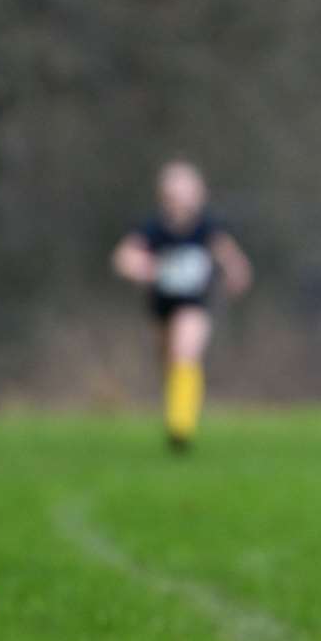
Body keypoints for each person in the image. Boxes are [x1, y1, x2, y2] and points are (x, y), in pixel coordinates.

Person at [111, 160, 252, 449]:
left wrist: (236, 274)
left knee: (185, 352)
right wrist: (145, 267)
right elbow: (123, 258)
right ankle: (176, 416)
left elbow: (232, 258)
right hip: (161, 306)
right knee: (169, 363)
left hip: (194, 303)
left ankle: (181, 428)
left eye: (188, 191)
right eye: (176, 192)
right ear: (165, 195)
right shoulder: (153, 229)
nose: (183, 199)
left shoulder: (206, 228)